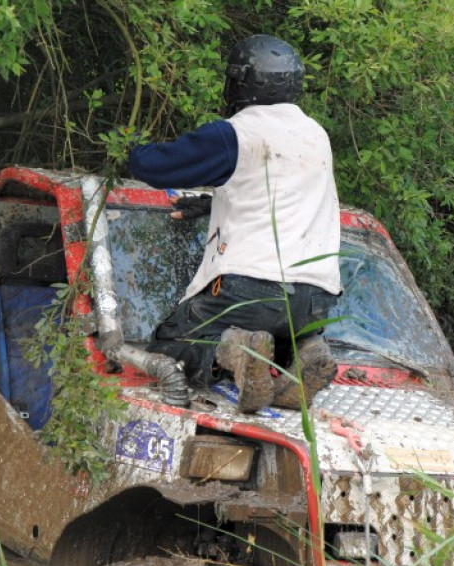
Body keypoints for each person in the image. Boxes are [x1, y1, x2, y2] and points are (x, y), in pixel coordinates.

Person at [128, 34, 341, 413]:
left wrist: (127, 146)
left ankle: (235, 352)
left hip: (249, 288)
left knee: (172, 341)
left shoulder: (236, 134)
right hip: (316, 297)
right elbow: (278, 193)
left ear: (241, 81)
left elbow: (155, 167)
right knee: (284, 330)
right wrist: (208, 204)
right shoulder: (316, 135)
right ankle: (308, 350)